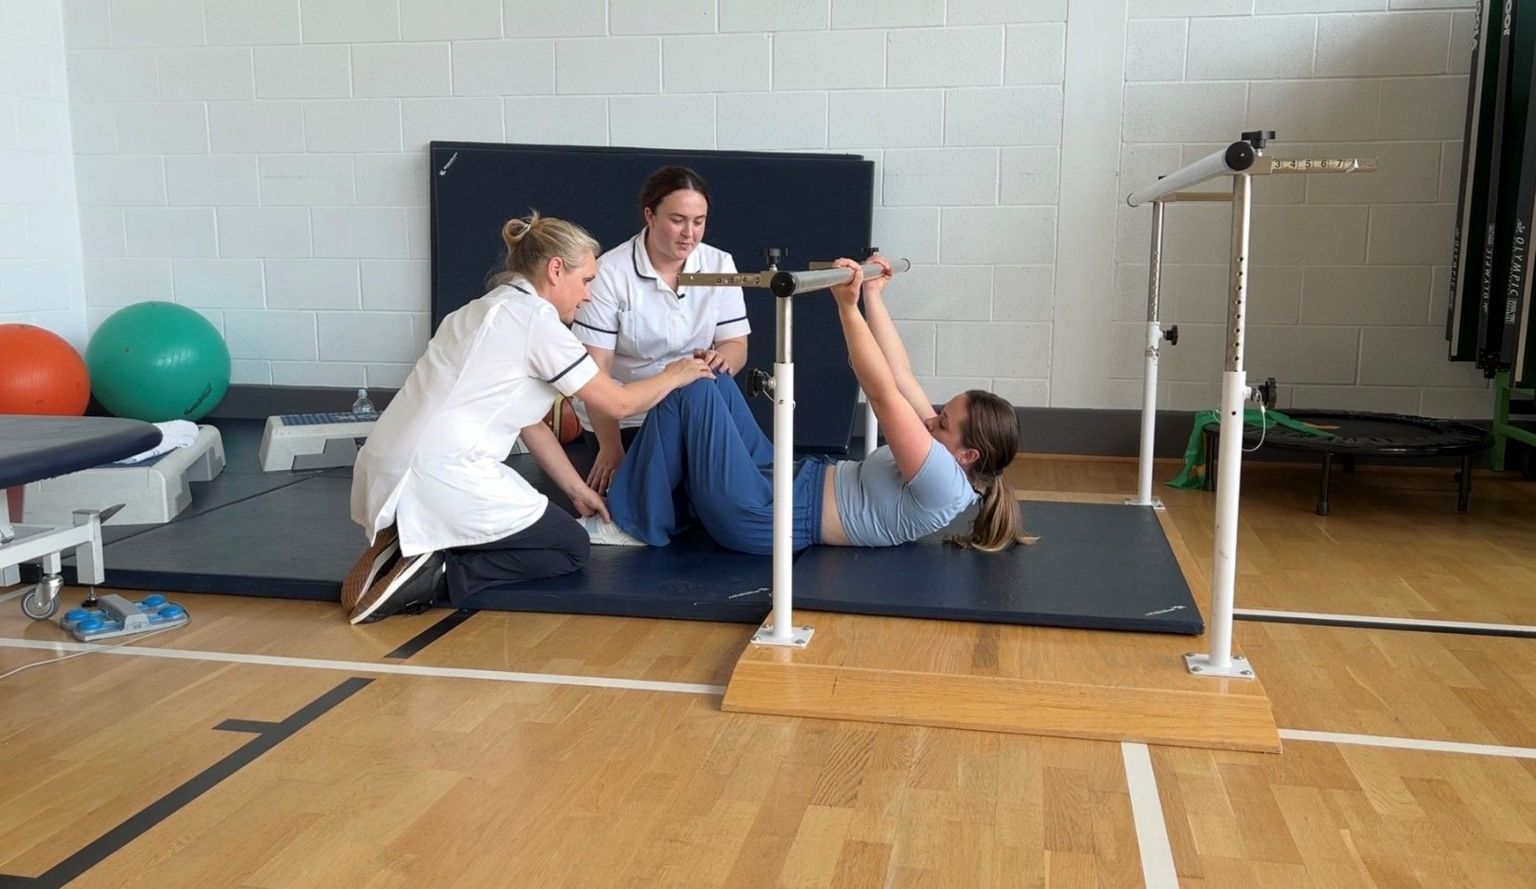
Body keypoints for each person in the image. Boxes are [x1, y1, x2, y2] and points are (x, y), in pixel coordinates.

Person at [342, 212, 713, 624]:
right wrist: (676, 374)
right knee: (568, 546)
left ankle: (410, 541)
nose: (588, 295)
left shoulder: (475, 311)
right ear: (556, 270)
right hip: (443, 475)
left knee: (545, 527)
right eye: (586, 280)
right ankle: (438, 571)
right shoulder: (536, 323)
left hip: (384, 465)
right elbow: (619, 403)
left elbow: (528, 421)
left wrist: (575, 490)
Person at [602, 255, 1035, 555]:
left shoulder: (942, 480)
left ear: (968, 454)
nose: (931, 419)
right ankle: (664, 505)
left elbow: (882, 391)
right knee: (707, 373)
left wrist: (847, 308)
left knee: (691, 388)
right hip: (782, 478)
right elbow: (900, 374)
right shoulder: (946, 455)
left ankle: (632, 522)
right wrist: (874, 295)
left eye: (942, 422)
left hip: (767, 517)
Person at [571, 166, 750, 495]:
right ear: (649, 216)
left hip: (692, 406)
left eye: (699, 221)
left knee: (723, 491)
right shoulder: (609, 273)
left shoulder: (720, 264)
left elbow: (736, 343)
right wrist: (611, 450)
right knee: (660, 497)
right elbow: (595, 375)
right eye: (677, 220)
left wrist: (721, 359)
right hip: (625, 417)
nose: (689, 234)